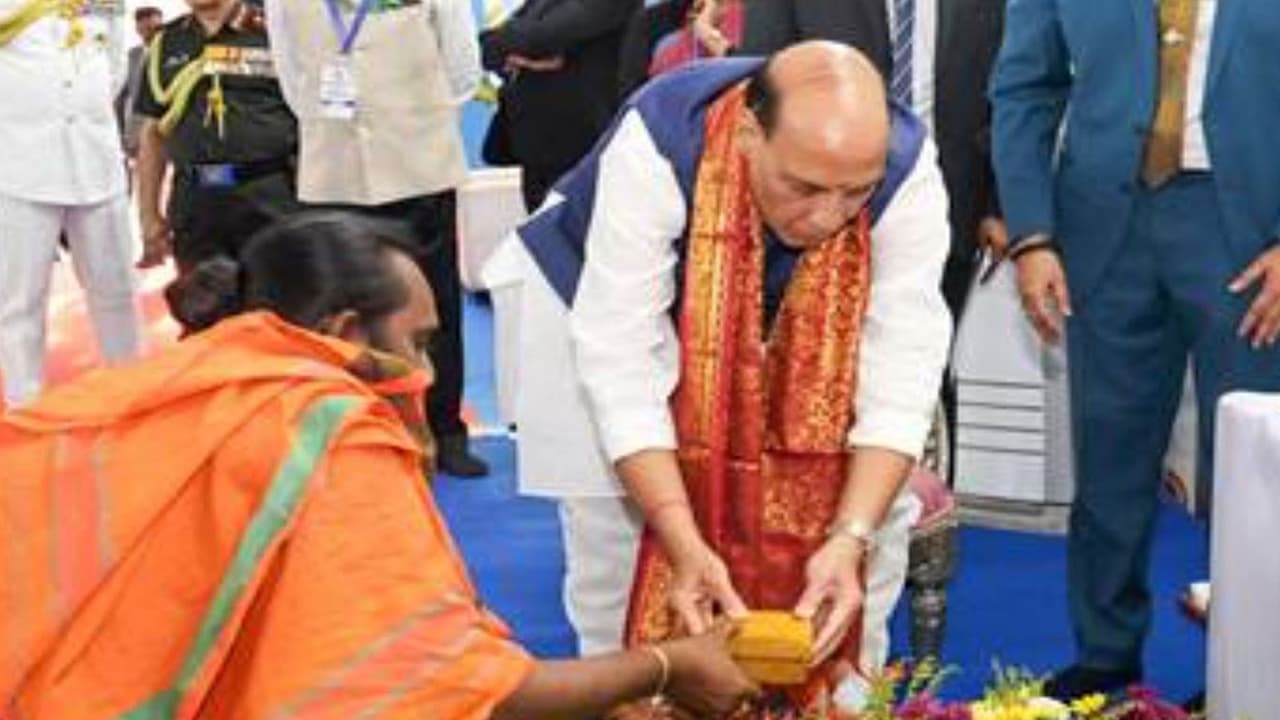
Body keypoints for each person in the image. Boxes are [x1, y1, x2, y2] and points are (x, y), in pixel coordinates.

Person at [0, 212, 758, 720]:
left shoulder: (193, 378)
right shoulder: (331, 433)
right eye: (419, 342)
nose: (427, 371)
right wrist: (666, 667)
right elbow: (454, 686)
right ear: (345, 333)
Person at [501, 41, 951, 716]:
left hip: (809, 351)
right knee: (616, 557)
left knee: (868, 542)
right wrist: (681, 538)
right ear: (747, 135)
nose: (828, 217)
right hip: (593, 306)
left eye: (855, 193)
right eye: (804, 187)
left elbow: (902, 368)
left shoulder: (906, 167)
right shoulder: (662, 135)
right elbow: (622, 356)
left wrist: (850, 535)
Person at [990, 0, 1280, 700]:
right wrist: (1032, 234)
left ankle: (1248, 669)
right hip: (1103, 229)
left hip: (1251, 235)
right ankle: (1106, 655)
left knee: (1252, 471)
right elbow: (1023, 87)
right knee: (1108, 458)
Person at [736, 0, 1008, 454]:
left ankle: (913, 487)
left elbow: (1011, 90)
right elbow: (760, 80)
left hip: (951, 206)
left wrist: (1001, 203)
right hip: (814, 212)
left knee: (917, 366)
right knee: (801, 370)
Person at [264, 0, 490, 478]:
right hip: (335, 164)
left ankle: (445, 430)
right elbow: (289, 68)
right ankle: (358, 428)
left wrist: (414, 113)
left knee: (435, 304)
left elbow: (461, 65)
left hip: (419, 160)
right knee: (340, 309)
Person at [0, 0, 143, 406]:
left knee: (116, 288)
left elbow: (113, 67)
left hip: (95, 160)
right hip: (21, 165)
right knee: (20, 300)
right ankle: (25, 404)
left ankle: (131, 389)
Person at [134, 0, 299, 275]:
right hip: (195, 201)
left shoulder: (276, 30)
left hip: (270, 194)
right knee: (202, 297)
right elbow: (153, 132)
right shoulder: (167, 42)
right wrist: (148, 214)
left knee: (279, 294)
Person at [479, 0, 641, 211]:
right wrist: (523, 55)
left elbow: (542, 38)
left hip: (584, 147)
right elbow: (487, 45)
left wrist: (523, 48)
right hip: (534, 146)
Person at [115, 6, 163, 159]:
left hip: (165, 130)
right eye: (148, 28)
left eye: (157, 28)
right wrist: (121, 133)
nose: (154, 32)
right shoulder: (133, 55)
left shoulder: (173, 52)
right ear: (138, 29)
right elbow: (120, 98)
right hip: (136, 132)